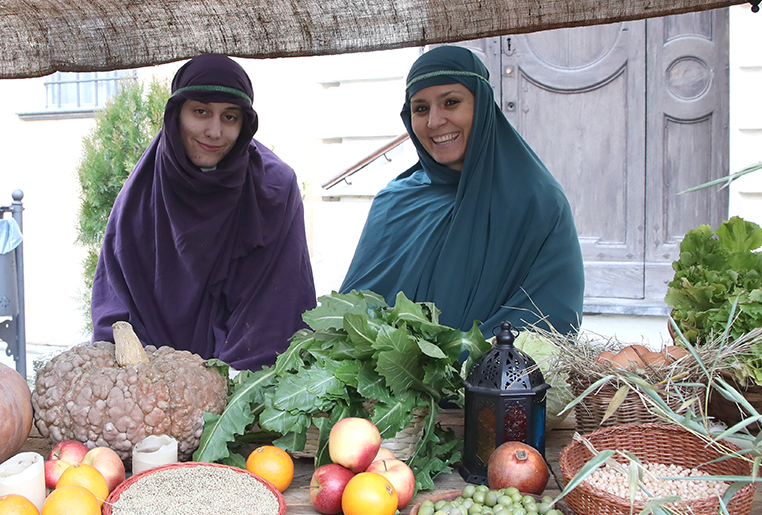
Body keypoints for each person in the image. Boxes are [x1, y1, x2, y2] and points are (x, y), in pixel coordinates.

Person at [91, 53, 318, 371]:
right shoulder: (141, 194)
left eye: (230, 117)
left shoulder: (275, 189)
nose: (214, 131)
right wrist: (153, 379)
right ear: (176, 115)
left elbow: (275, 309)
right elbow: (116, 306)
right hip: (153, 382)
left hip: (244, 381)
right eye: (201, 111)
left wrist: (225, 390)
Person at [340, 45, 584, 339]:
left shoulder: (536, 203)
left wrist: (450, 368)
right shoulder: (393, 202)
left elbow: (547, 322)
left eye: (451, 102)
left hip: (488, 382)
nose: (434, 121)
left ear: (481, 105)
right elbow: (351, 315)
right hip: (382, 381)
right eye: (420, 108)